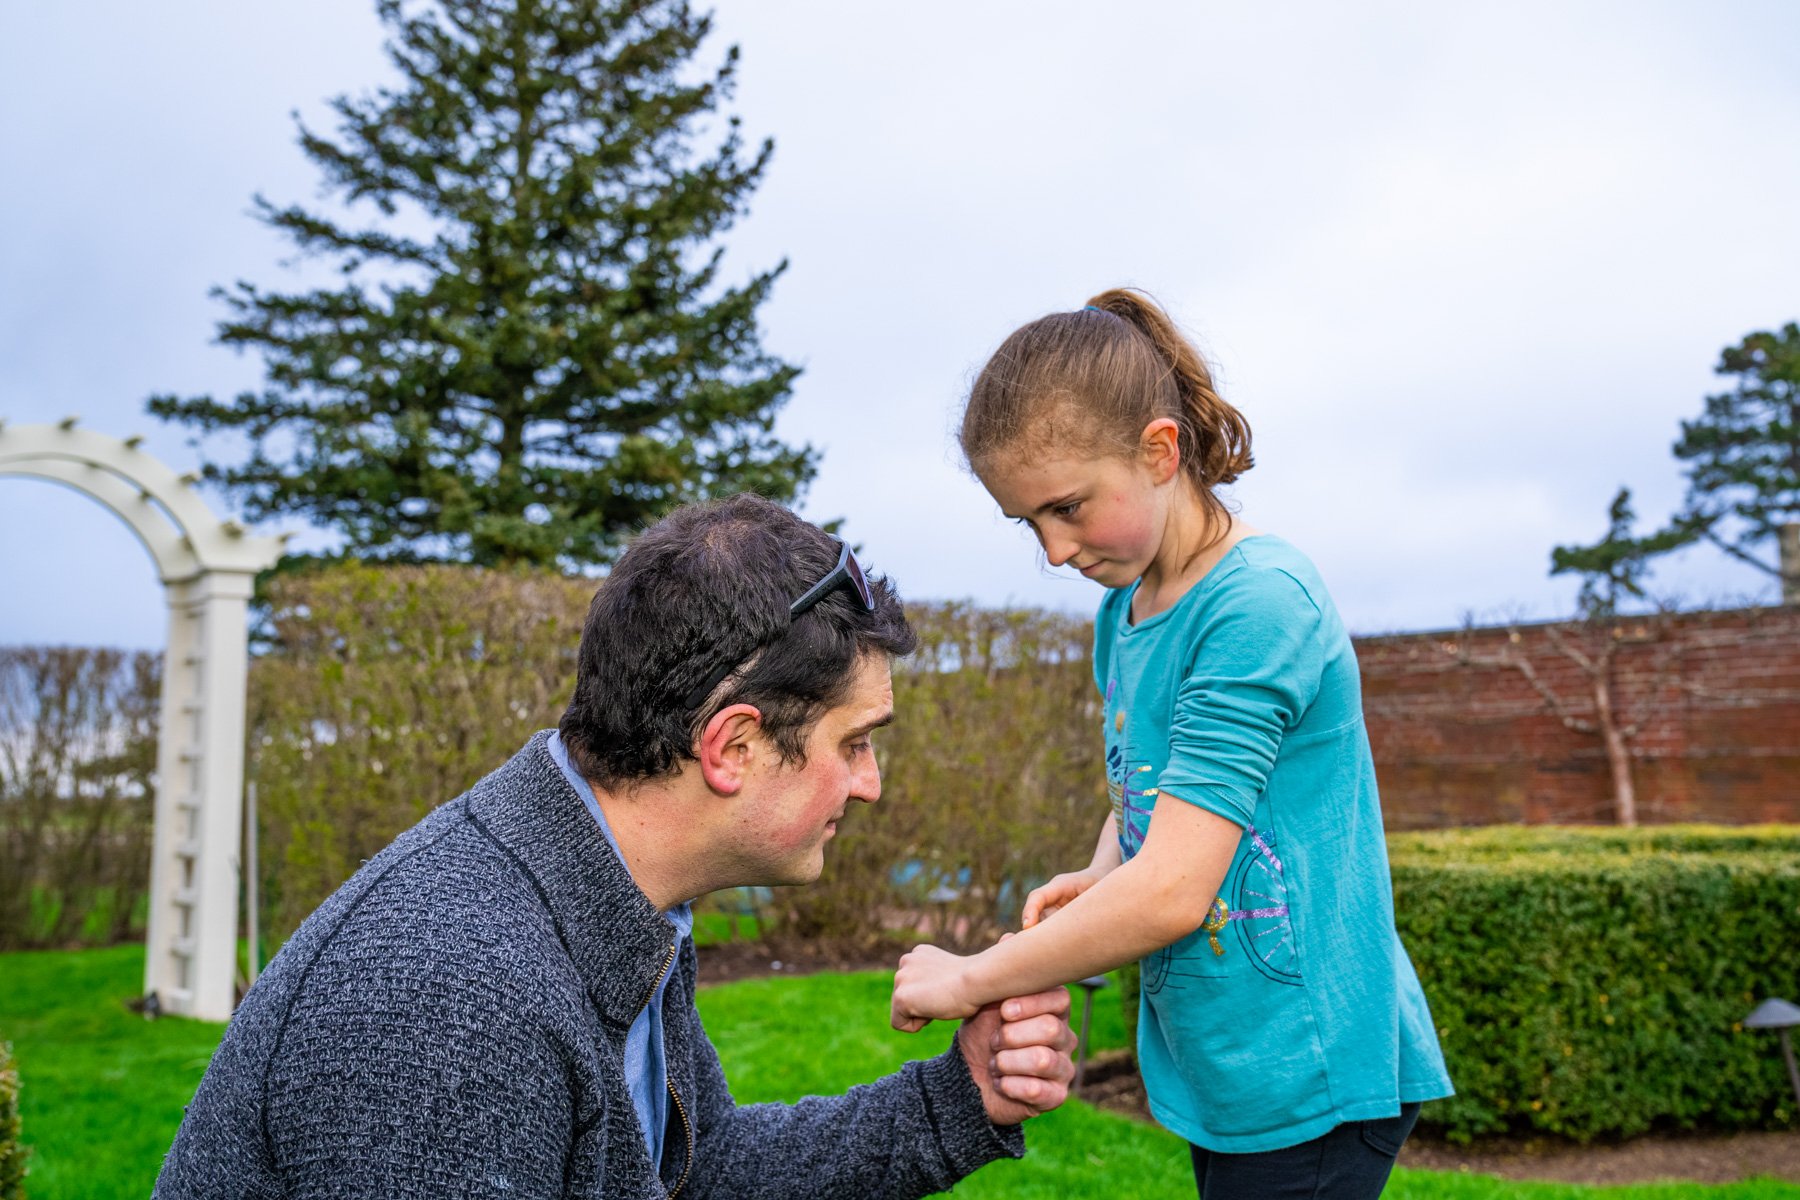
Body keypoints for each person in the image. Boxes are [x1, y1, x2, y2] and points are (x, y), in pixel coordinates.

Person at [156, 494, 1077, 1199]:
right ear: (733, 748)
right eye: (856, 741)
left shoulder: (617, 896)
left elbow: (694, 1170)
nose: (870, 783)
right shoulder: (445, 1003)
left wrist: (959, 1099)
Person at [889, 289, 1453, 1198]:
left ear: (1160, 450)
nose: (1054, 549)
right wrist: (1102, 871)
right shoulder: (1128, 611)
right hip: (1229, 1060)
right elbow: (1150, 796)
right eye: (1028, 523)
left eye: (1069, 507)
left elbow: (1176, 893)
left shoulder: (1258, 603)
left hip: (1307, 1063)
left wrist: (972, 977)